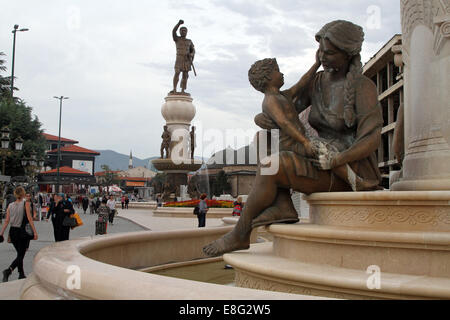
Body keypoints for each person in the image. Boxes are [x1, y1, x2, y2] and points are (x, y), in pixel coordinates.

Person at [203, 20, 383, 257]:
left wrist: (338, 159)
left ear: (348, 53)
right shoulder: (318, 82)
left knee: (271, 167)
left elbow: (371, 140)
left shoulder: (363, 87)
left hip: (349, 169)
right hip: (320, 159)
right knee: (266, 142)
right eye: (320, 51)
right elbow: (286, 108)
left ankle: (241, 233)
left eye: (329, 52)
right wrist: (262, 117)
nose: (323, 57)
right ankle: (283, 205)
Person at [248, 57, 379, 191]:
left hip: (300, 140)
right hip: (292, 143)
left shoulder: (283, 95)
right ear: (267, 78)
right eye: (277, 71)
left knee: (328, 151)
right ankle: (356, 183)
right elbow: (284, 123)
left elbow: (302, 83)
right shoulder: (271, 101)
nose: (281, 74)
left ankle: (354, 180)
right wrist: (305, 142)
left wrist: (316, 65)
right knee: (326, 154)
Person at [0, 186, 38, 281]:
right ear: (23, 193)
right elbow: (29, 218)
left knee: (19, 253)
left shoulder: (10, 205)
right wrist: (35, 232)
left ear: (15, 194)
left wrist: (1, 233)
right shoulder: (26, 203)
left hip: (13, 231)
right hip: (22, 231)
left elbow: (6, 221)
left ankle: (21, 274)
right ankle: (8, 270)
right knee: (21, 254)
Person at [171, 19, 196, 94]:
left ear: (187, 32)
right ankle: (174, 89)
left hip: (186, 60)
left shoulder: (189, 41)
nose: (183, 32)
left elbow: (193, 50)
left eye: (185, 31)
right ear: (180, 32)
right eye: (182, 31)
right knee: (177, 72)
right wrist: (178, 23)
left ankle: (182, 90)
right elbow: (173, 31)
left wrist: (191, 54)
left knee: (185, 75)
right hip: (179, 58)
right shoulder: (177, 39)